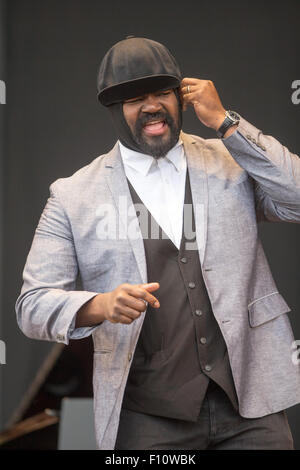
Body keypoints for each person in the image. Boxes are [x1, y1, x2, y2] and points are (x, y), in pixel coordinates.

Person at [16, 36, 300, 450]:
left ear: (181, 96)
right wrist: (99, 305)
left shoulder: (229, 159)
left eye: (162, 91)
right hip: (146, 419)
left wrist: (226, 121)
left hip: (249, 406)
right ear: (115, 111)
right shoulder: (73, 195)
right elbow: (32, 305)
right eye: (134, 97)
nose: (151, 104)